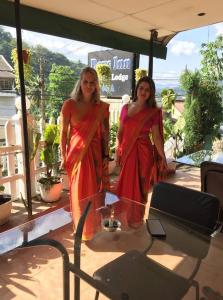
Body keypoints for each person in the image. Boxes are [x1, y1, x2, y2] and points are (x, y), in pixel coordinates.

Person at [60, 67, 110, 241]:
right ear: (79, 83)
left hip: (95, 156)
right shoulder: (69, 105)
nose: (89, 85)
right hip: (77, 158)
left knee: (93, 194)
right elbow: (63, 134)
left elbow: (106, 134)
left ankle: (92, 228)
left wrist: (106, 156)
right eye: (85, 82)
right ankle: (81, 229)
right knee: (79, 194)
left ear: (96, 85)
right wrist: (63, 156)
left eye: (92, 82)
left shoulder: (102, 108)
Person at [115, 76, 167, 228]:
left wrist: (162, 156)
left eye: (147, 90)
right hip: (127, 152)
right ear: (136, 89)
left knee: (141, 186)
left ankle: (136, 220)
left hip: (144, 153)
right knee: (125, 187)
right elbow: (120, 131)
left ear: (151, 93)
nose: (143, 92)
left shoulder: (153, 112)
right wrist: (118, 149)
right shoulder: (125, 108)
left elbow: (156, 137)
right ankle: (125, 218)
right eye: (141, 88)